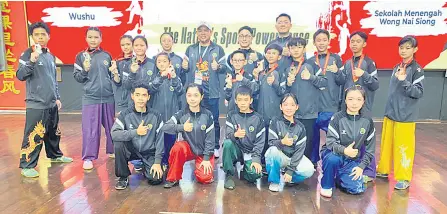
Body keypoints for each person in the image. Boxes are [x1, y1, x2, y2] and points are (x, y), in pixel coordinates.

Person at [17, 21, 73, 178]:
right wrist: (32, 61)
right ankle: (27, 165)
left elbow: (52, 79)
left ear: (48, 36)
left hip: (51, 102)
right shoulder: (27, 54)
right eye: (37, 35)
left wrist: (57, 98)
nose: (40, 37)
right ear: (32, 37)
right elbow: (20, 75)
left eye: (43, 34)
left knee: (53, 132)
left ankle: (55, 155)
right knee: (34, 134)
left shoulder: (50, 56)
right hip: (36, 104)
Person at [376, 36, 424, 190]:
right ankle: (383, 170)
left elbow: (418, 92)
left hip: (405, 117)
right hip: (390, 113)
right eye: (401, 48)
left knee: (403, 148)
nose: (404, 51)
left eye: (408, 48)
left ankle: (403, 178)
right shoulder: (397, 66)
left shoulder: (417, 70)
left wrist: (404, 81)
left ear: (415, 49)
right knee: (386, 145)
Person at [337, 31, 379, 181]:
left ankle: (369, 171)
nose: (354, 44)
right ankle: (350, 166)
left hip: (363, 107)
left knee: (366, 138)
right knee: (349, 136)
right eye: (352, 41)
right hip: (347, 106)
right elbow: (340, 82)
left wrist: (364, 74)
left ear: (364, 44)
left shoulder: (369, 62)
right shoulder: (347, 62)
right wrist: (338, 73)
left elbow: (375, 84)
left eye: (358, 41)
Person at [320, 85, 376, 198]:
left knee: (356, 189)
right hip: (334, 153)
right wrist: (344, 150)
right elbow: (330, 143)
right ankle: (326, 184)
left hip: (352, 159)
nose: (354, 103)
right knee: (332, 159)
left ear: (363, 101)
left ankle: (339, 177)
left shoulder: (368, 121)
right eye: (350, 99)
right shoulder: (337, 118)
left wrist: (361, 166)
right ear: (345, 100)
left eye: (358, 99)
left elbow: (370, 149)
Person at [182, 22, 226, 158]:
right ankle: (192, 146)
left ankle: (215, 146)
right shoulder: (191, 49)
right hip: (195, 93)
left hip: (211, 91)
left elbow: (225, 68)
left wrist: (218, 66)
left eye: (205, 30)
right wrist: (184, 67)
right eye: (200, 30)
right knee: (192, 119)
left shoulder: (218, 49)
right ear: (196, 33)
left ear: (211, 32)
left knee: (213, 119)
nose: (203, 33)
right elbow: (185, 69)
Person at [73, 27, 114, 170]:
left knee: (112, 127)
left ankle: (113, 150)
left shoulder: (107, 56)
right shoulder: (81, 56)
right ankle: (89, 158)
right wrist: (85, 69)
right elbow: (77, 77)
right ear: (86, 38)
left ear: (101, 39)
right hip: (91, 98)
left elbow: (113, 76)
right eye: (90, 37)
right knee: (90, 129)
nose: (93, 40)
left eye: (96, 37)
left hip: (109, 97)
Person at [111, 81, 164, 190]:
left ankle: (145, 165)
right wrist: (135, 132)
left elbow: (160, 140)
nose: (140, 98)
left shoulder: (156, 115)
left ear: (148, 97)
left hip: (149, 152)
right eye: (137, 95)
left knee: (156, 179)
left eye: (144, 95)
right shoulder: (125, 114)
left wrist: (158, 162)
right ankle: (123, 177)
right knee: (118, 143)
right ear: (132, 96)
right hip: (131, 150)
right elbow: (114, 134)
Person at [162, 83, 216, 188]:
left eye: (196, 95)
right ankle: (173, 178)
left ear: (202, 97)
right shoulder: (181, 114)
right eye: (189, 95)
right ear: (186, 96)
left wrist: (206, 159)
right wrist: (182, 127)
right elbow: (165, 127)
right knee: (178, 147)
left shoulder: (208, 115)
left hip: (203, 151)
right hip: (189, 149)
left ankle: (199, 170)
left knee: (205, 178)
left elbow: (210, 140)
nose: (192, 99)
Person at [284, 37, 327, 161]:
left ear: (304, 49)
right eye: (293, 47)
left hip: (309, 113)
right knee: (291, 141)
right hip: (291, 113)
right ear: (289, 50)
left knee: (307, 142)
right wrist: (287, 83)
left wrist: (311, 77)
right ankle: (291, 166)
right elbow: (282, 91)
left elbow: (324, 82)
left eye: (299, 47)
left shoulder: (312, 64)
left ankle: (305, 167)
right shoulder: (287, 66)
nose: (296, 50)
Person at [307, 29, 344, 165]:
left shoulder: (336, 59)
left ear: (328, 42)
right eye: (318, 40)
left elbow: (342, 80)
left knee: (333, 137)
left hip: (330, 105)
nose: (321, 43)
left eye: (324, 40)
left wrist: (337, 71)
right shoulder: (310, 61)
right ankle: (312, 162)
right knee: (312, 138)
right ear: (314, 42)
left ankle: (333, 162)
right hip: (313, 107)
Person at [266, 93, 315, 192]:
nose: (289, 108)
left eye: (292, 105)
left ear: (297, 107)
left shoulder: (300, 127)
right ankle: (274, 181)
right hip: (279, 155)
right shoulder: (275, 121)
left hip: (292, 158)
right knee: (273, 151)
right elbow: (271, 142)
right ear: (281, 107)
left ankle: (289, 178)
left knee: (309, 169)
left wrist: (290, 170)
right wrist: (282, 142)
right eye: (286, 104)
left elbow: (299, 151)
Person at [222, 86, 265, 190]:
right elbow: (228, 134)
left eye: (246, 100)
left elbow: (260, 142)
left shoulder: (258, 118)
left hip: (250, 152)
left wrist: (255, 159)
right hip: (237, 150)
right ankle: (229, 175)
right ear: (236, 101)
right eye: (240, 100)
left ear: (251, 100)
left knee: (255, 175)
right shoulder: (232, 115)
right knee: (227, 143)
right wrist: (235, 135)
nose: (242, 103)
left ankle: (245, 169)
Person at [149, 52, 183, 170]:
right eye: (159, 61)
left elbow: (180, 90)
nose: (162, 63)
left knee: (171, 140)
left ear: (170, 63)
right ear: (156, 64)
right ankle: (161, 161)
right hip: (158, 117)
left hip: (171, 116)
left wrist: (173, 76)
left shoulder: (174, 77)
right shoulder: (154, 78)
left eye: (165, 61)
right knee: (159, 140)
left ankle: (171, 161)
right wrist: (161, 77)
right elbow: (151, 89)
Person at [254, 44, 286, 165]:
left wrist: (275, 83)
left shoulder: (281, 72)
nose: (271, 55)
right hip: (261, 112)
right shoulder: (262, 72)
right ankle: (261, 162)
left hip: (274, 112)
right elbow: (256, 91)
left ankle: (272, 164)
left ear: (279, 56)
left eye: (274, 53)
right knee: (261, 137)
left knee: (273, 138)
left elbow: (283, 92)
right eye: (268, 53)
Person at [226, 26, 263, 109]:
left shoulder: (258, 56)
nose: (244, 39)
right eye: (241, 36)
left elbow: (261, 77)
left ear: (252, 38)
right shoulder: (231, 56)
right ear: (238, 38)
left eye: (247, 36)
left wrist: (256, 60)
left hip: (252, 97)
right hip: (235, 98)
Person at [110, 35, 133, 113]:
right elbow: (117, 82)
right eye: (122, 45)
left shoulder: (138, 61)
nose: (125, 47)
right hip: (122, 102)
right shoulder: (117, 62)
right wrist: (115, 73)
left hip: (137, 101)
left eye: (128, 44)